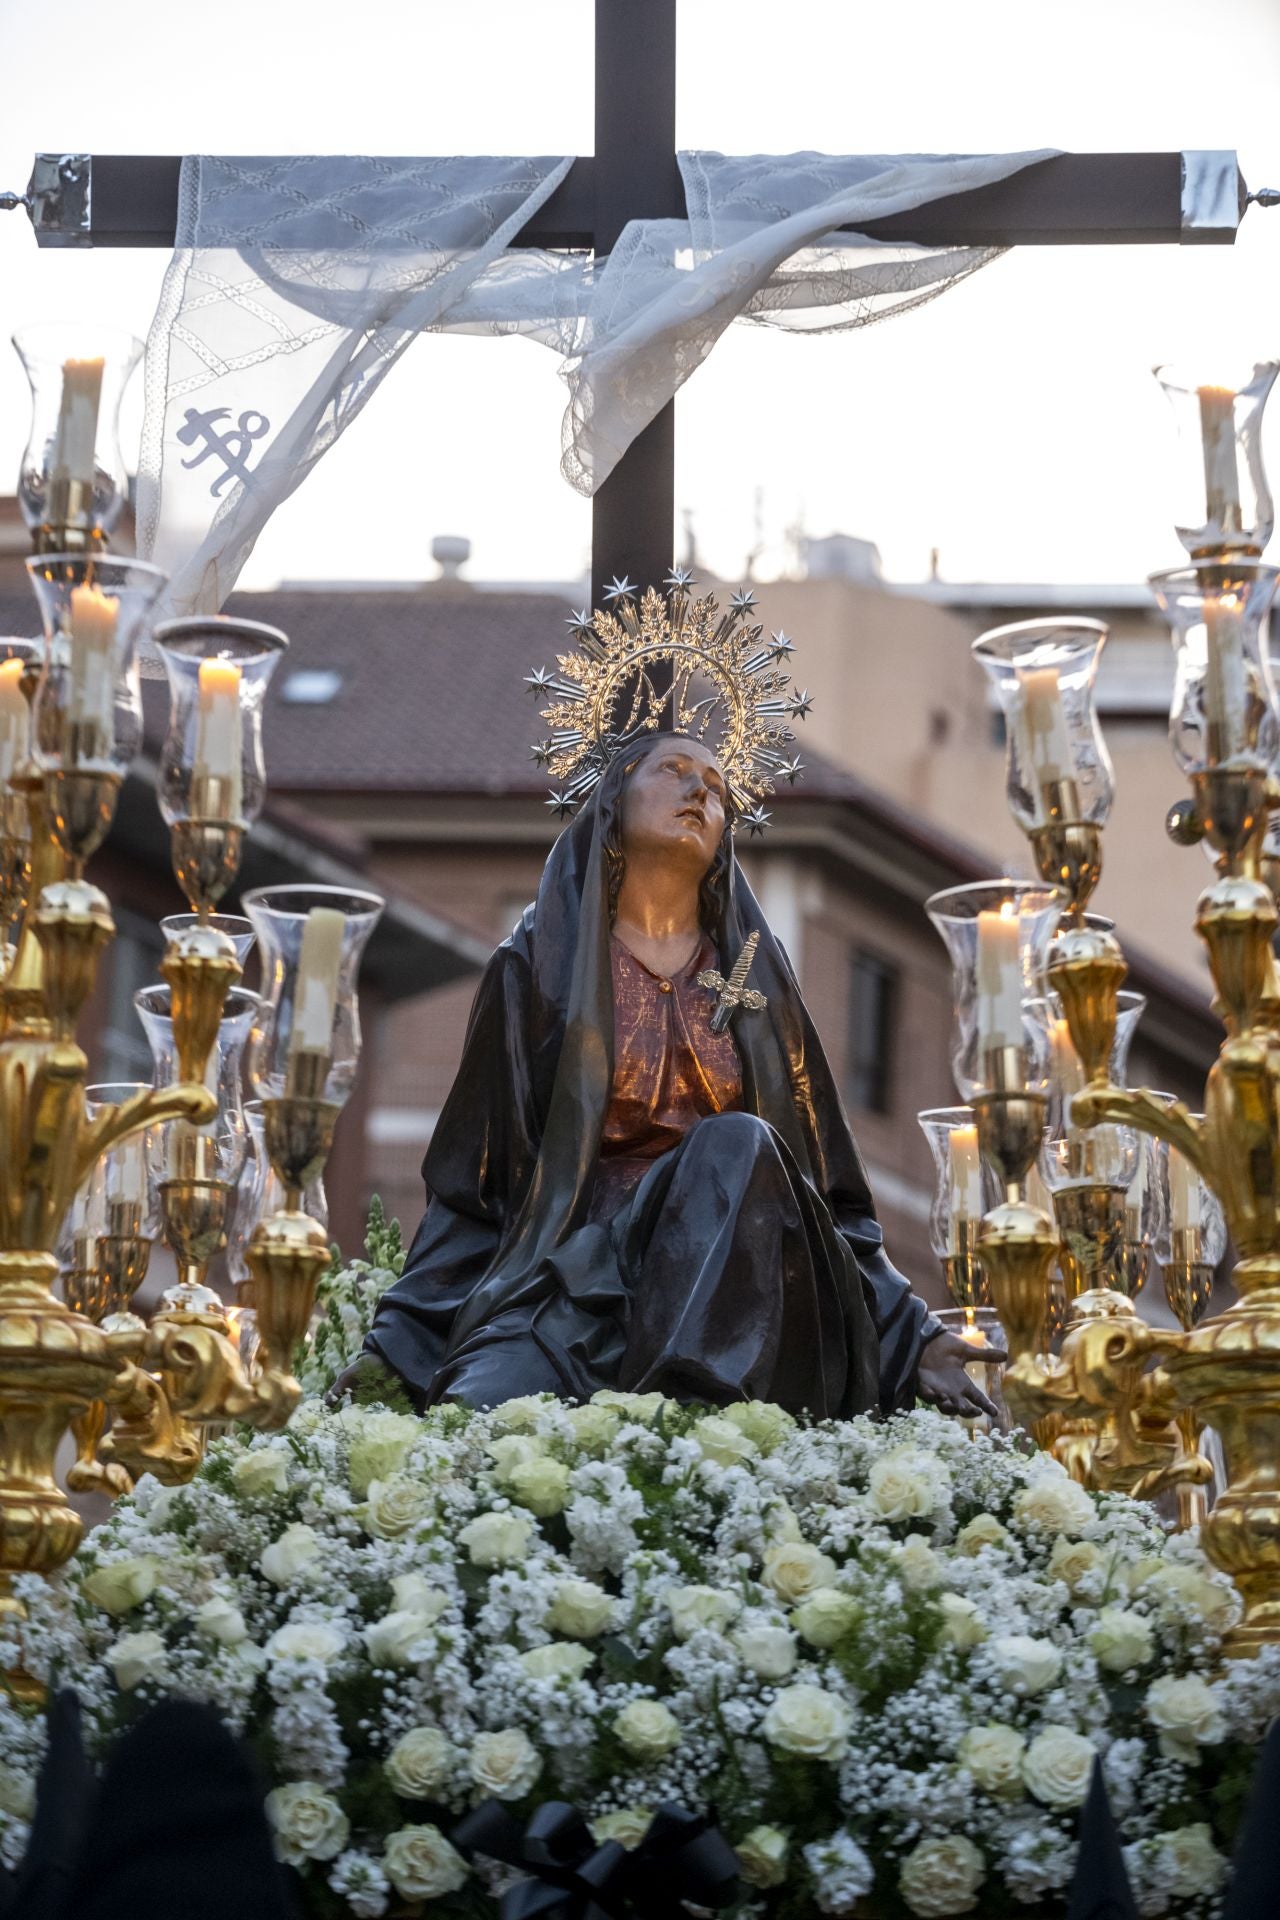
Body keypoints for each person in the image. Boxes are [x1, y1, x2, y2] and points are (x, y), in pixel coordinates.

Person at [333, 731, 1001, 1420]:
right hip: (575, 1276)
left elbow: (826, 1190)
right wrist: (398, 1346)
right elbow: (473, 1184)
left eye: (715, 788)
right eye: (674, 771)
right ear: (613, 800)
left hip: (740, 1281)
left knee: (736, 1141)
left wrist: (913, 1335)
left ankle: (692, 1407)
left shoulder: (760, 981)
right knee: (476, 1413)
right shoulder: (538, 968)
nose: (698, 793)